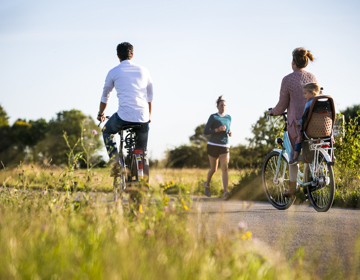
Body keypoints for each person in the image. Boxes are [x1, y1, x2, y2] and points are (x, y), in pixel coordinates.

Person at [97, 42, 153, 180]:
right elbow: (150, 95)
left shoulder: (113, 72)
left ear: (118, 56)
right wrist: (149, 115)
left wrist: (101, 114)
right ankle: (144, 184)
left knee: (107, 131)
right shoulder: (144, 71)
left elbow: (105, 96)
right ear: (132, 55)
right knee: (143, 152)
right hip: (143, 117)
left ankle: (116, 163)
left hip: (123, 117)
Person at [268, 47, 317, 197]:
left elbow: (282, 105)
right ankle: (308, 185)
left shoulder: (288, 79)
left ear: (293, 62)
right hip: (313, 123)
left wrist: (272, 112)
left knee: (292, 156)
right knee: (309, 152)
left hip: (296, 124)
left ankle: (292, 188)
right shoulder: (313, 77)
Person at [204, 96, 232, 200]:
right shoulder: (213, 117)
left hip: (224, 145)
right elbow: (205, 131)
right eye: (221, 105)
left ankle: (225, 192)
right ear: (217, 107)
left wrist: (229, 132)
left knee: (225, 168)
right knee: (214, 169)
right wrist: (217, 129)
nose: (223, 107)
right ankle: (207, 185)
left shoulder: (229, 118)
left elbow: (228, 129)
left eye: (224, 105)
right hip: (213, 145)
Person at [289, 83, 323, 165]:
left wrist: (298, 122)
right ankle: (332, 156)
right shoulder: (321, 102)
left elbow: (305, 117)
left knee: (299, 137)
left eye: (305, 93)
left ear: (312, 93)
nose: (304, 96)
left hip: (311, 130)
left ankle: (295, 158)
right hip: (324, 129)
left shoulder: (309, 103)